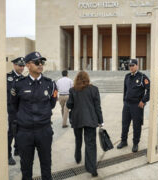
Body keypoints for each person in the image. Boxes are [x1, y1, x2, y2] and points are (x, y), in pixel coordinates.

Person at [10, 51, 57, 180]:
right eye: (37, 62)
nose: (40, 65)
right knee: (26, 167)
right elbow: (14, 105)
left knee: (46, 165)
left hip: (44, 130)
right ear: (28, 65)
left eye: (42, 62)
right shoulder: (19, 84)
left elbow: (52, 104)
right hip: (25, 132)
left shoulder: (50, 84)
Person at [66, 71, 103, 177]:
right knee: (90, 144)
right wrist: (100, 121)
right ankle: (92, 169)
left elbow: (69, 105)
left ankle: (78, 157)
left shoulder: (73, 90)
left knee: (78, 140)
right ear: (87, 78)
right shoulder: (94, 89)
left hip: (77, 119)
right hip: (91, 119)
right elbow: (97, 107)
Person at [117, 59, 150, 152]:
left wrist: (143, 101)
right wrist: (124, 101)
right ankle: (124, 141)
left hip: (137, 105)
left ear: (137, 66)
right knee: (125, 123)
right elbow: (125, 90)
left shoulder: (143, 77)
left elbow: (149, 90)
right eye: (130, 65)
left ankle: (135, 143)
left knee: (136, 125)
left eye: (133, 65)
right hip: (127, 104)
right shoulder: (127, 76)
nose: (131, 67)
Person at [6, 57, 25, 165]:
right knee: (12, 132)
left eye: (23, 65)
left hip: (21, 109)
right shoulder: (8, 77)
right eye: (20, 65)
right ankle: (8, 155)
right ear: (14, 65)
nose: (22, 67)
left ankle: (17, 149)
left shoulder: (23, 78)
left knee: (20, 130)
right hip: (12, 109)